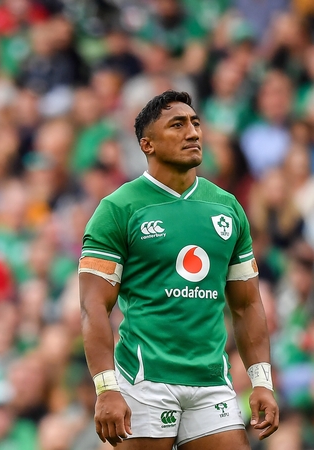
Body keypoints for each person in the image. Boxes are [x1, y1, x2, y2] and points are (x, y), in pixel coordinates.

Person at [78, 90, 279, 449]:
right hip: (144, 381)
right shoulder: (118, 209)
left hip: (211, 380)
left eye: (196, 123)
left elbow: (247, 304)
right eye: (178, 124)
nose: (193, 132)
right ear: (147, 144)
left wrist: (261, 380)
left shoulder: (227, 208)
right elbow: (93, 305)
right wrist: (106, 388)